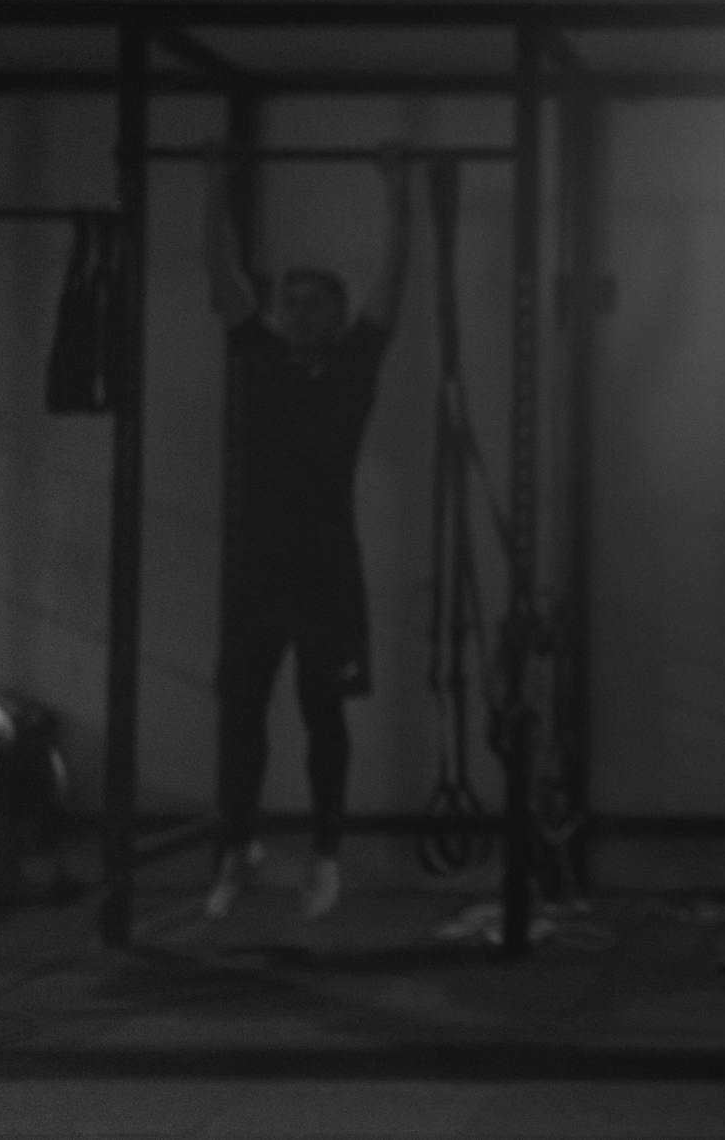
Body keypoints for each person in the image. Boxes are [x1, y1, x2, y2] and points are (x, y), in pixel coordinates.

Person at [201, 144, 411, 920]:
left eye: (310, 302)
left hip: (326, 568)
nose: (293, 311)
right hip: (255, 568)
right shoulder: (256, 354)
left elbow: (392, 288)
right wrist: (215, 185)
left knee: (323, 716)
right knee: (241, 714)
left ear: (337, 313)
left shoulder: (356, 362)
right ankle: (237, 850)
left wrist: (398, 197)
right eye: (286, 301)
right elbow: (222, 283)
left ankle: (325, 856)